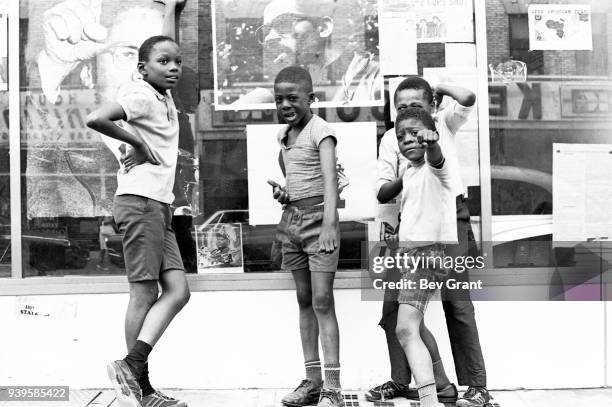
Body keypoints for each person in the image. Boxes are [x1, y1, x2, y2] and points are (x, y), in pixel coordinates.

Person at [368, 76, 496, 407]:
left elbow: (468, 96)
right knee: (394, 309)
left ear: (432, 106)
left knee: (457, 304)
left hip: (450, 220)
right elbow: (384, 187)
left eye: (416, 104)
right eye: (400, 107)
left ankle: (477, 387)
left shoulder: (443, 123)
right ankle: (407, 379)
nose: (408, 111)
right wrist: (407, 175)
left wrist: (440, 85)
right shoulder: (389, 139)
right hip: (408, 225)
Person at [86, 34, 189, 407]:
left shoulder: (163, 95)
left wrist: (172, 9)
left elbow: (161, 44)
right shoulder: (143, 93)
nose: (174, 67)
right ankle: (141, 389)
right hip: (140, 202)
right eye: (165, 62)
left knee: (178, 291)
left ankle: (131, 365)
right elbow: (96, 118)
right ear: (143, 69)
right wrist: (139, 144)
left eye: (177, 61)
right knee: (144, 293)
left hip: (158, 205)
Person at [267, 66, 343, 407]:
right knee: (303, 298)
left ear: (311, 98)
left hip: (319, 223)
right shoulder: (285, 136)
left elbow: (329, 180)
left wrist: (330, 224)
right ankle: (311, 381)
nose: (285, 104)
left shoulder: (321, 130)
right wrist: (286, 195)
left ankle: (333, 387)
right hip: (292, 222)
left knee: (323, 300)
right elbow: (298, 182)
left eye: (293, 98)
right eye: (279, 98)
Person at [392, 107, 456, 407]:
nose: (407, 140)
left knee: (404, 328)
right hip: (409, 256)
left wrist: (432, 142)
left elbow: (437, 158)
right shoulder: (409, 172)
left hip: (427, 255)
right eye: (401, 136)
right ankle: (441, 386)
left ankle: (429, 401)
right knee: (415, 326)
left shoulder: (435, 166)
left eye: (414, 133)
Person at [231, 0, 381, 106]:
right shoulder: (286, 88)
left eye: (283, 24)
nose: (270, 38)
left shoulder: (375, 78)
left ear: (323, 28)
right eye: (266, 32)